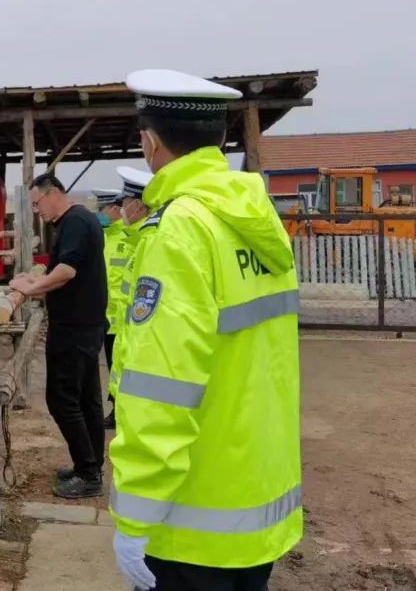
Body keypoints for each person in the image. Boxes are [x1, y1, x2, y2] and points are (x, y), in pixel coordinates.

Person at [108, 70, 302, 591]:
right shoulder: (253, 217)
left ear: (150, 142)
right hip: (255, 500)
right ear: (219, 140)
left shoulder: (180, 230)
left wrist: (136, 516)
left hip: (192, 517)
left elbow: (162, 388)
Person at [10, 172, 108, 499]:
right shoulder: (77, 221)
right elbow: (62, 268)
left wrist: (29, 289)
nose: (37, 210)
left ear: (54, 194)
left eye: (37, 203)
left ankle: (88, 472)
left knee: (62, 399)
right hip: (85, 323)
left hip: (74, 327)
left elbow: (67, 271)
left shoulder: (76, 222)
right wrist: (35, 279)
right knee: (86, 399)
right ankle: (90, 466)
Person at [104, 166, 154, 429]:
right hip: (121, 328)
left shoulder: (152, 242)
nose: (119, 209)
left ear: (136, 205)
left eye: (123, 204)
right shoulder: (139, 240)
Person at [93, 188, 125, 429]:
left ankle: (121, 412)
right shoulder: (100, 237)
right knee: (113, 368)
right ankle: (116, 411)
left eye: (102, 210)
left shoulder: (128, 238)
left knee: (124, 367)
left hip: (125, 319)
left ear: (115, 209)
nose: (99, 214)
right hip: (106, 318)